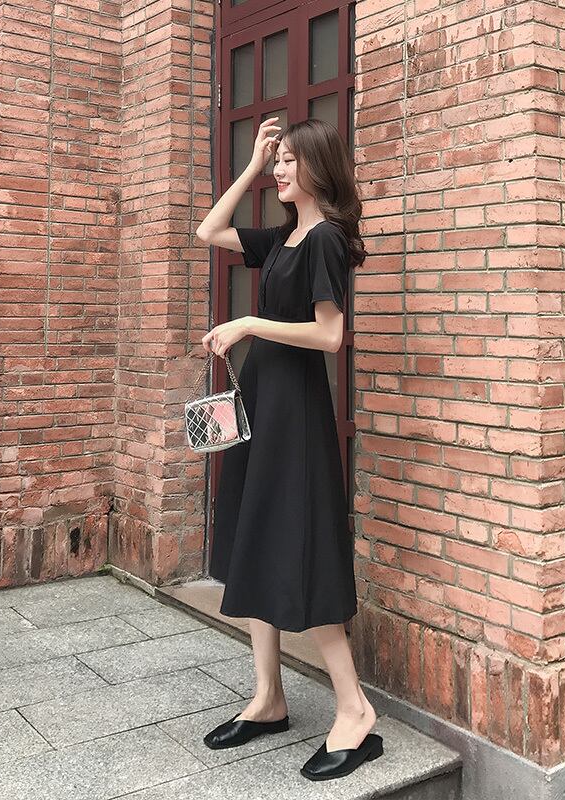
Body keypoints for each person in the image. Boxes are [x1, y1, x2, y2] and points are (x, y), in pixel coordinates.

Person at [194, 117, 383, 781]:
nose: (280, 170)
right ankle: (268, 697)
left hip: (296, 413)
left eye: (289, 161)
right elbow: (209, 232)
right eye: (277, 161)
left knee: (300, 544)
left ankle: (355, 710)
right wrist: (249, 166)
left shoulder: (325, 238)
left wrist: (249, 322)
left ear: (318, 167)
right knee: (256, 538)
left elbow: (330, 336)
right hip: (262, 403)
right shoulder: (282, 238)